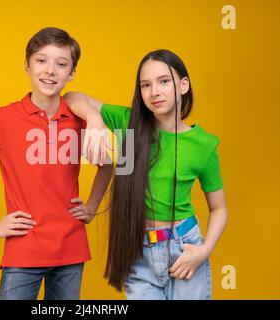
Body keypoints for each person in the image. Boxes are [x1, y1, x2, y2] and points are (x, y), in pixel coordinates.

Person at [0, 27, 113, 300]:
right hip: (24, 249)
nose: (50, 70)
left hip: (71, 248)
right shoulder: (3, 119)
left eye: (61, 64)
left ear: (71, 74)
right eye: (41, 60)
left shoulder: (79, 119)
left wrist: (92, 206)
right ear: (27, 65)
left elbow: (108, 164)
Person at [64, 49, 228, 300]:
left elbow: (219, 208)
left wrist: (204, 251)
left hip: (184, 248)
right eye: (145, 85)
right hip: (137, 249)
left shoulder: (203, 145)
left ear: (183, 85)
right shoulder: (128, 123)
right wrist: (94, 118)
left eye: (164, 81)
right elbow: (72, 96)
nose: (154, 92)